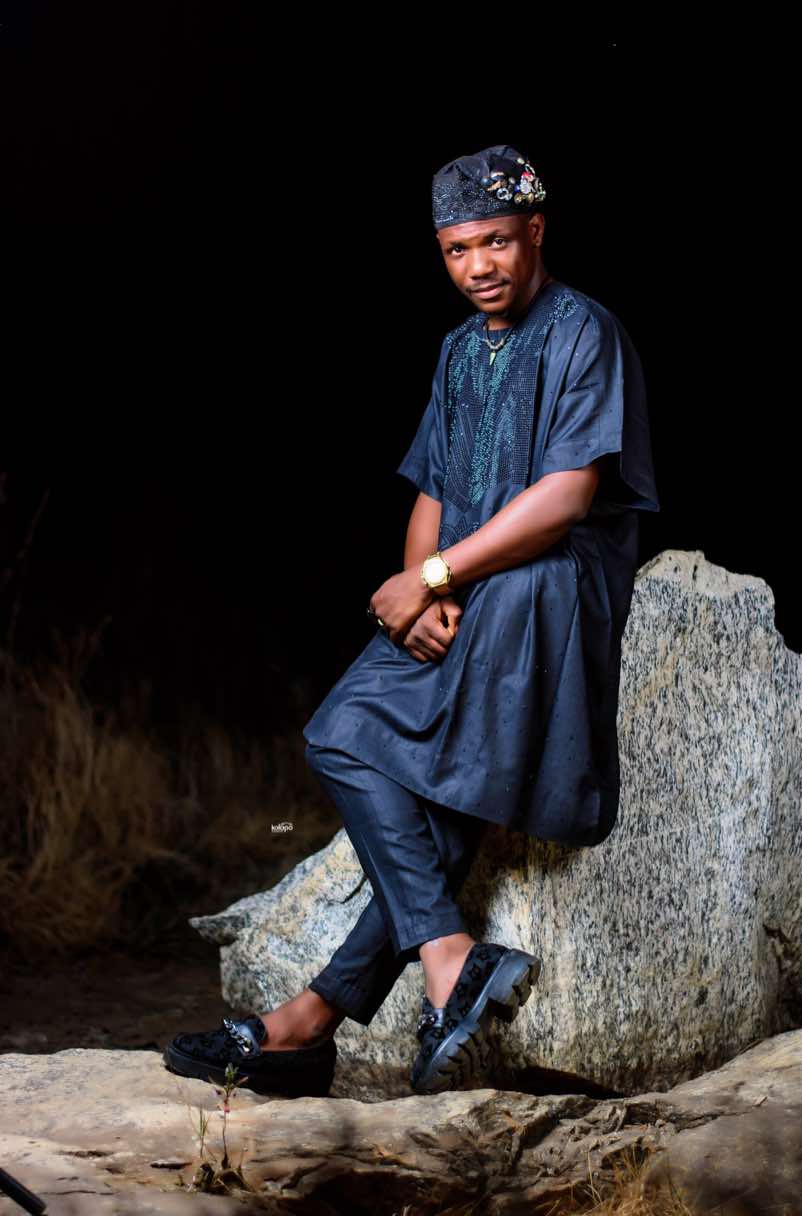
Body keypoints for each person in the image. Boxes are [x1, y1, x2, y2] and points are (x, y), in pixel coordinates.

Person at [163, 144, 660, 1099]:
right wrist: (418, 594)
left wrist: (435, 575)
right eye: (457, 249)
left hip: (552, 583)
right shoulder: (459, 350)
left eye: (497, 242)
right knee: (343, 732)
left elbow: (566, 499)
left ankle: (310, 1024)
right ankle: (432, 965)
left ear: (536, 231)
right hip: (470, 584)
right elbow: (433, 485)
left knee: (445, 783)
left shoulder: (583, 331)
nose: (479, 266)